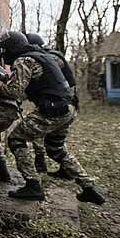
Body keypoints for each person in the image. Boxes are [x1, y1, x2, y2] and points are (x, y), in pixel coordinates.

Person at [0, 31, 105, 205]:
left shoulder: (23, 60)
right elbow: (30, 86)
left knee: (16, 140)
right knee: (56, 149)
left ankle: (33, 185)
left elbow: (14, 92)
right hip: (69, 107)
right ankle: (89, 188)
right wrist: (5, 77)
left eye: (4, 49)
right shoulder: (41, 56)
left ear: (13, 48)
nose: (2, 53)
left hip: (53, 110)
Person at [25, 32, 76, 179]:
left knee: (42, 133)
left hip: (56, 102)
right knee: (56, 138)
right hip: (61, 101)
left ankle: (41, 162)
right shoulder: (52, 55)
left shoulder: (48, 58)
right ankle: (66, 168)